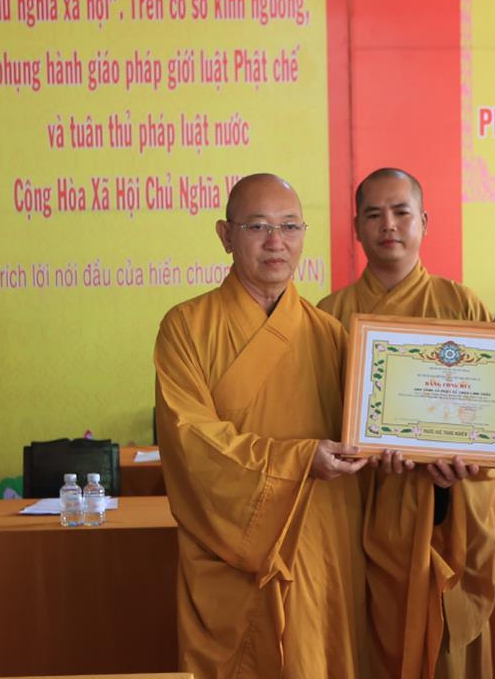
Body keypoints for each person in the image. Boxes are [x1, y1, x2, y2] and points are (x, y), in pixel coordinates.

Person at [154, 173, 368, 679]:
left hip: (318, 542)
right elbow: (191, 442)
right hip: (230, 551)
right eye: (258, 226)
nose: (277, 242)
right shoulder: (185, 327)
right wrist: (300, 460)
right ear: (225, 235)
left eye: (290, 226)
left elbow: (365, 434)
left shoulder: (330, 335)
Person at [319, 168, 495, 679]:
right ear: (356, 227)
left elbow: (490, 419)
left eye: (401, 212)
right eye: (374, 215)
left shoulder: (462, 304)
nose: (388, 225)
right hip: (364, 511)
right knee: (370, 642)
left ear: (424, 221)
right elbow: (322, 418)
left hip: (446, 516)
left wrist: (463, 467)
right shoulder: (329, 315)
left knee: (447, 654)